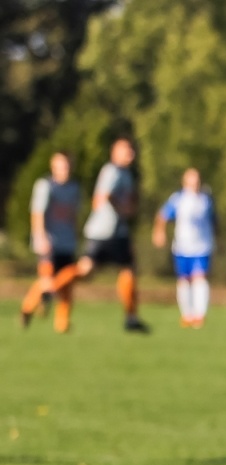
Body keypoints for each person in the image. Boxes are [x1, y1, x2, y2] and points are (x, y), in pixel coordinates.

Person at [50, 138, 150, 333]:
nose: (131, 154)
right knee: (86, 270)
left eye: (132, 150)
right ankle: (49, 288)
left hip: (118, 231)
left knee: (129, 270)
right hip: (104, 231)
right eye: (126, 150)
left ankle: (131, 317)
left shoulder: (125, 173)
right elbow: (104, 196)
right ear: (114, 152)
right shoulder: (112, 171)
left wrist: (129, 208)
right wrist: (121, 209)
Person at [20, 152, 80, 333]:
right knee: (47, 281)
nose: (65, 170)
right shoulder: (45, 186)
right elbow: (37, 213)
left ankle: (62, 324)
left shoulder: (74, 188)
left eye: (68, 166)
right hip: (49, 242)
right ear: (53, 167)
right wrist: (40, 236)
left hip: (67, 242)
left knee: (67, 283)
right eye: (62, 166)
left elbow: (73, 216)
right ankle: (28, 307)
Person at [151, 168, 218, 328]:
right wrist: (159, 232)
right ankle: (187, 315)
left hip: (202, 246)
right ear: (185, 182)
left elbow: (215, 220)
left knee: (200, 277)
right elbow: (162, 215)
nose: (195, 184)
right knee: (184, 280)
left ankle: (200, 315)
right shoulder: (178, 199)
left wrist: (219, 239)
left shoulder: (206, 199)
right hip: (182, 246)